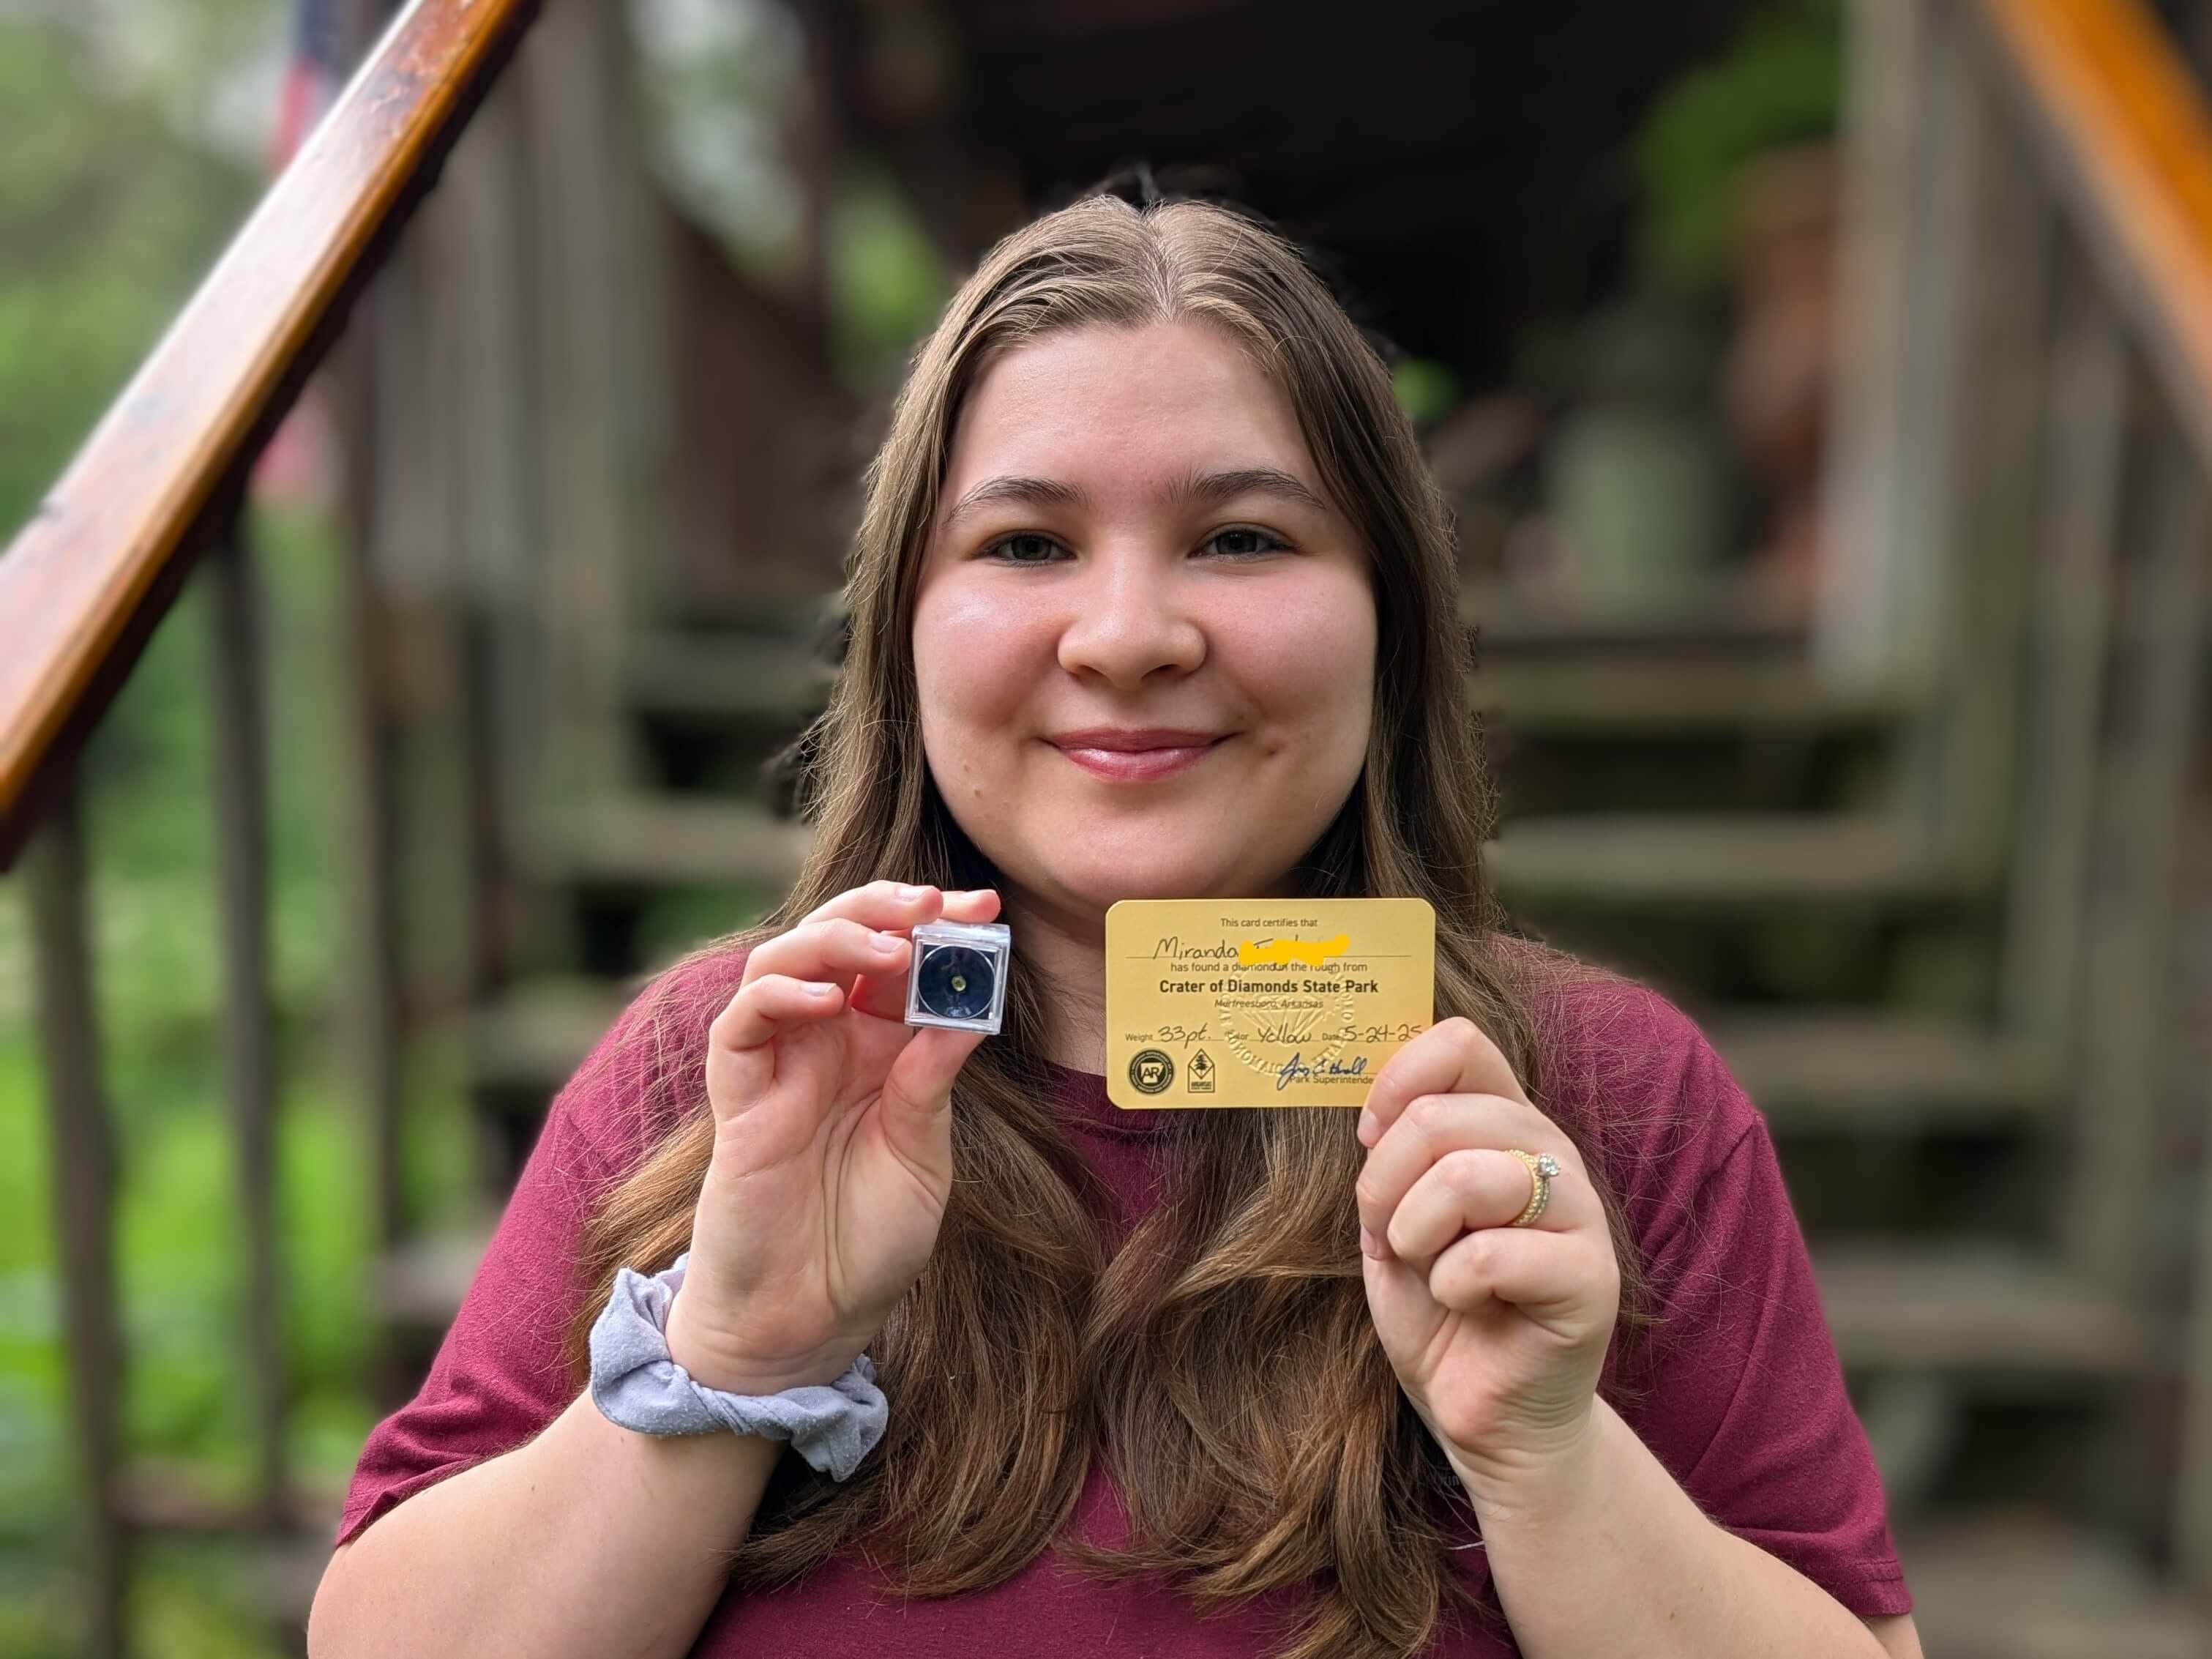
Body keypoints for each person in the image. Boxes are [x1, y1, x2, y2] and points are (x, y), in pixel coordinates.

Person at [307, 193, 1921, 1659]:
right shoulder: (731, 1071)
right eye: (1025, 544)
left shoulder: (1601, 1100)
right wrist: (729, 1350)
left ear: (1389, 620)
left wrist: (1549, 1457)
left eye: (1242, 536)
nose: (1129, 634)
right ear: (906, 638)